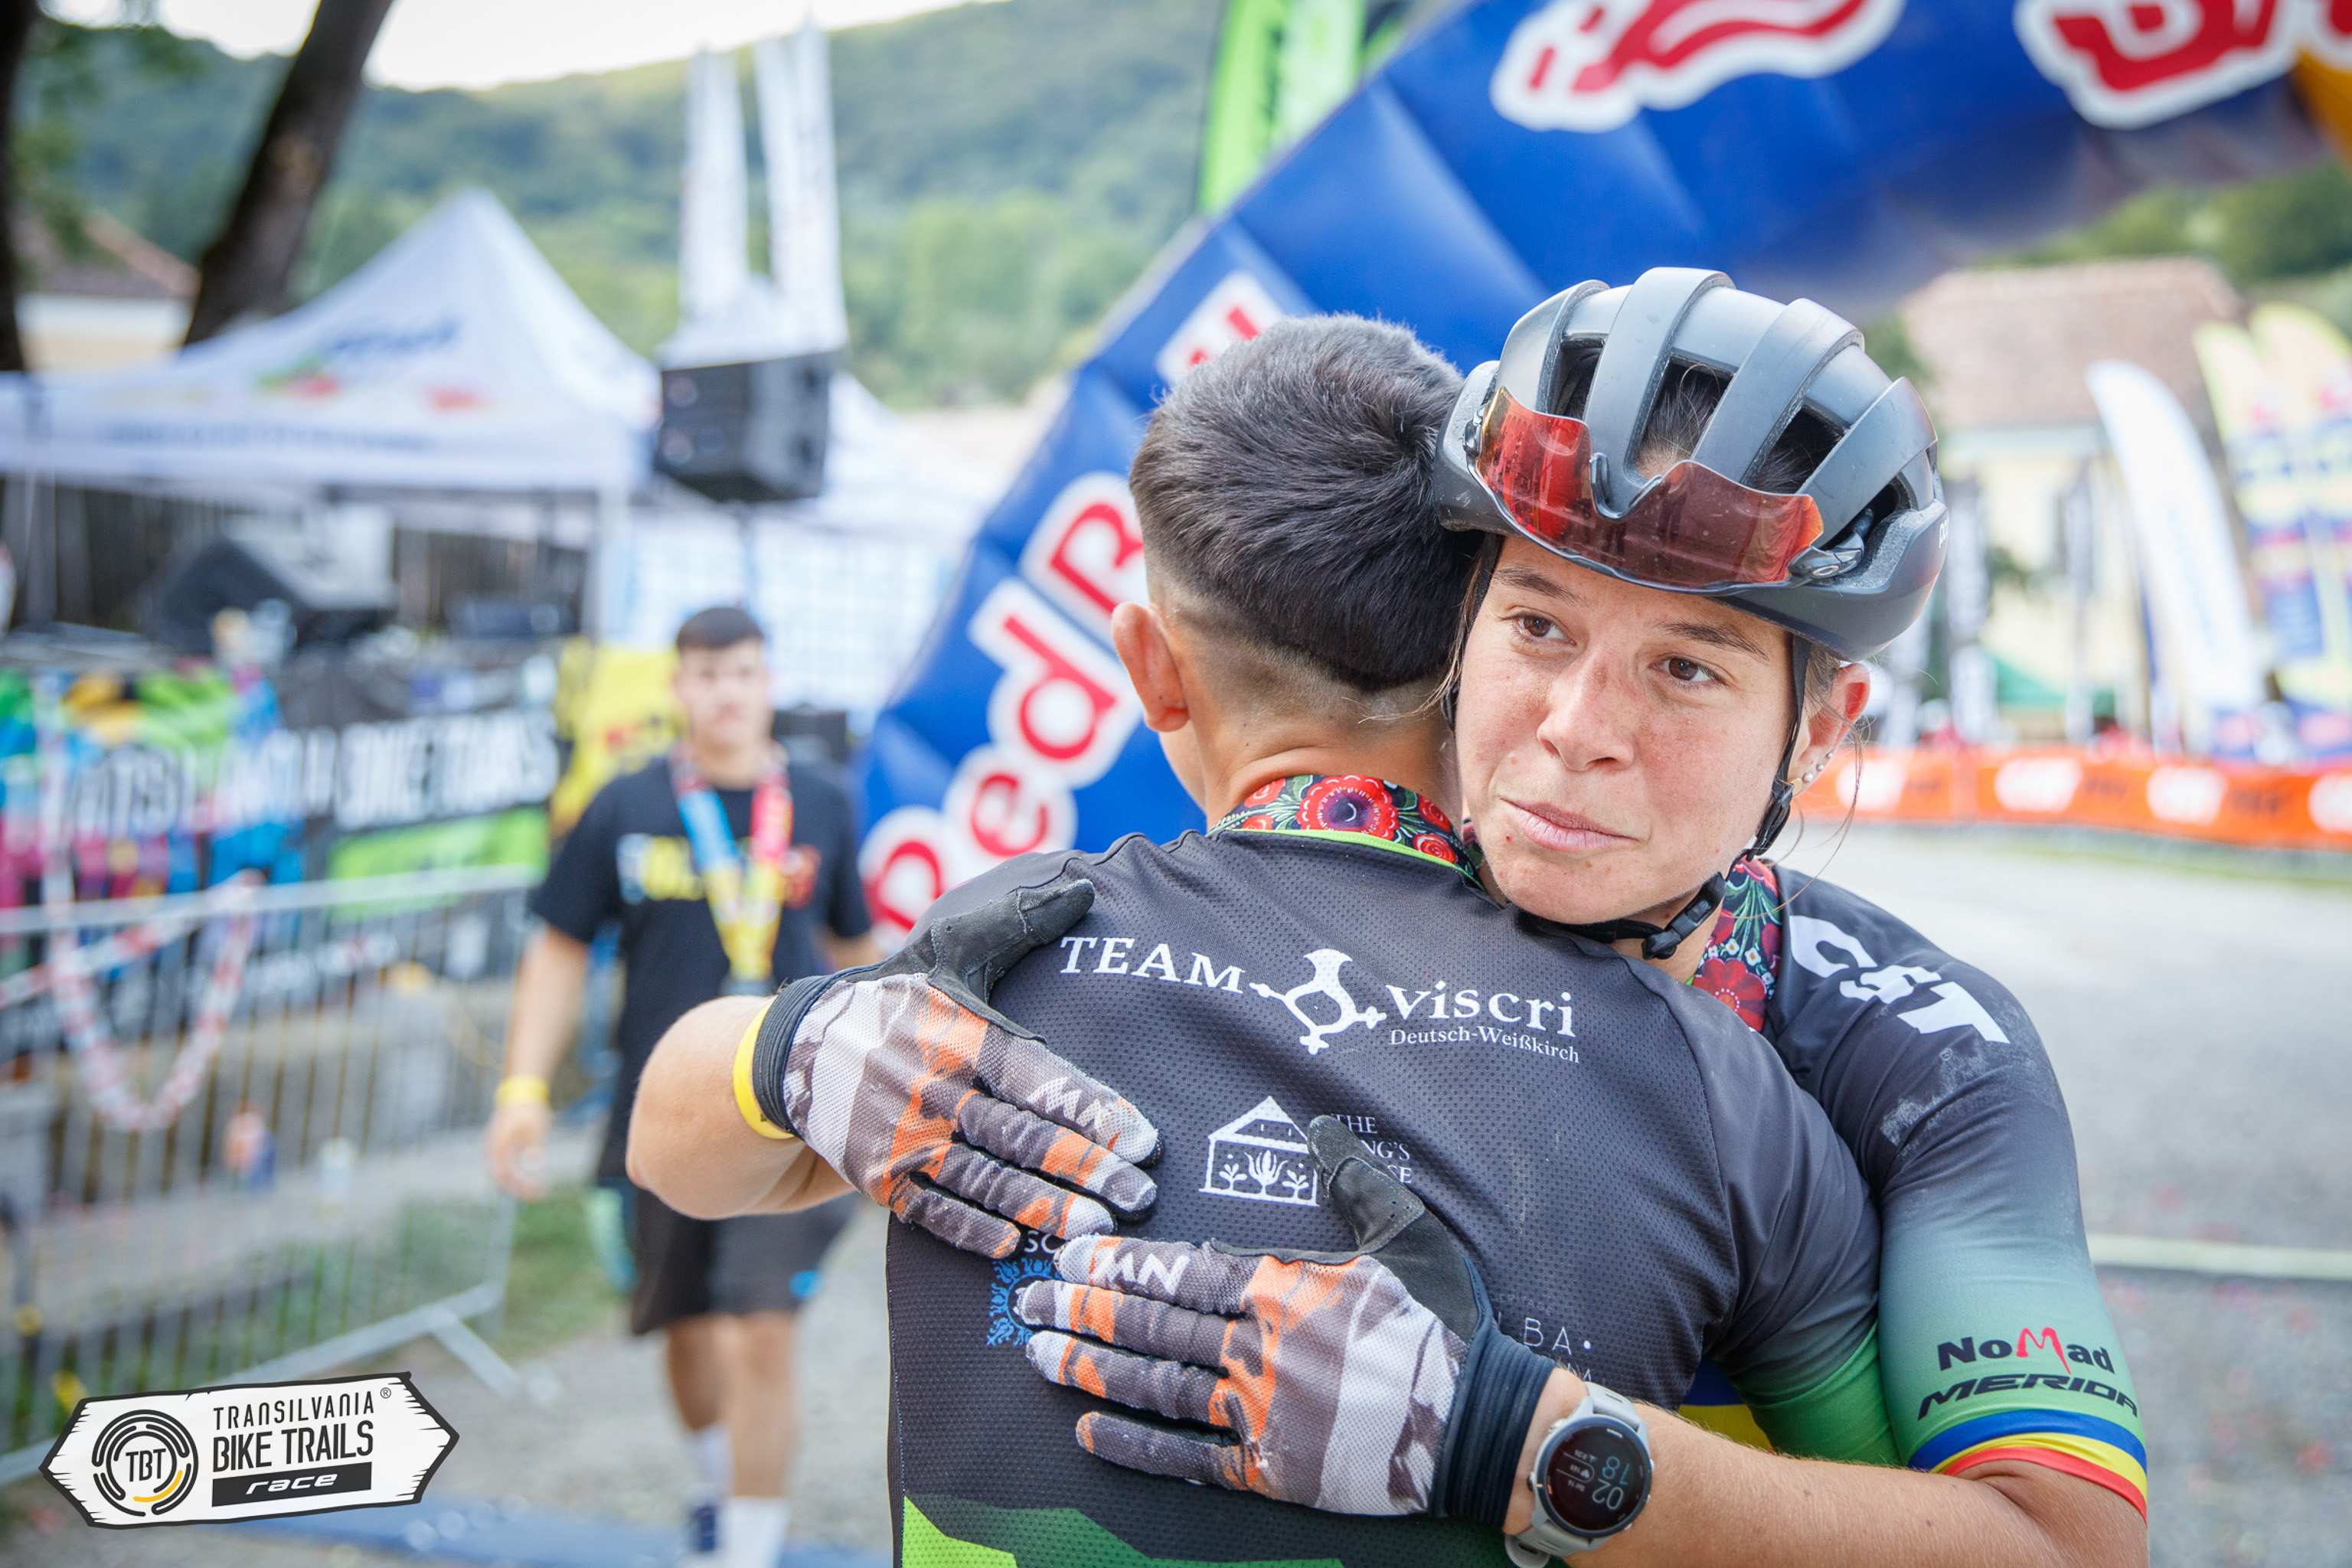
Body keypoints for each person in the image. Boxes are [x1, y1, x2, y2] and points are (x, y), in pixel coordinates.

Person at [632, 318, 1907, 1567]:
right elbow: (1914, 1517)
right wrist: (1533, 1451)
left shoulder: (988, 965)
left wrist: (791, 1044)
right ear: (1472, 644)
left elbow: (673, 1155)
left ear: (1151, 668)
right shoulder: (1714, 1077)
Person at [986, 274, 2149, 1563]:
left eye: (1686, 667)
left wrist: (1516, 1442)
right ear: (1462, 628)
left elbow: (2071, 1549)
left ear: (1818, 730)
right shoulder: (1269, 900)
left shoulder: (1920, 1054)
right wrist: (817, 1054)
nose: (1577, 729)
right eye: (1539, 624)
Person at [486, 605, 877, 1568]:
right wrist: (522, 1087)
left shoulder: (823, 800)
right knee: (689, 1329)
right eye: (706, 674)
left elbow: (858, 951)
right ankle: (716, 1487)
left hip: (790, 1119)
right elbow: (559, 946)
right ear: (678, 686)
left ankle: (748, 1546)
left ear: (768, 681)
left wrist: (881, 1089)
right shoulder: (623, 804)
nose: (726, 692)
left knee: (761, 1327)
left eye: (743, 671)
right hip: (661, 1118)